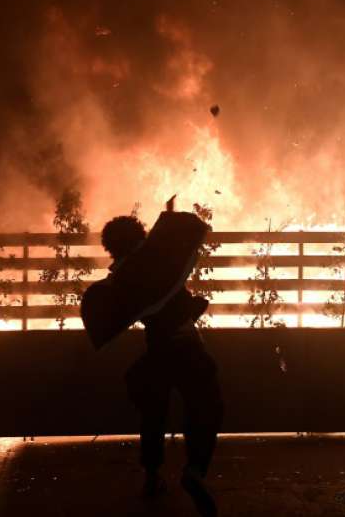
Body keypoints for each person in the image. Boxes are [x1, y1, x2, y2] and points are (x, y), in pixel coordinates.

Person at [100, 215, 223, 517]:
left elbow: (145, 311)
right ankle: (195, 469)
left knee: (153, 412)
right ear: (141, 236)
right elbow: (175, 304)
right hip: (187, 346)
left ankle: (152, 476)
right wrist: (196, 306)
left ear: (112, 248)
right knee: (206, 407)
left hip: (158, 350)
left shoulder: (123, 280)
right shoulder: (160, 262)